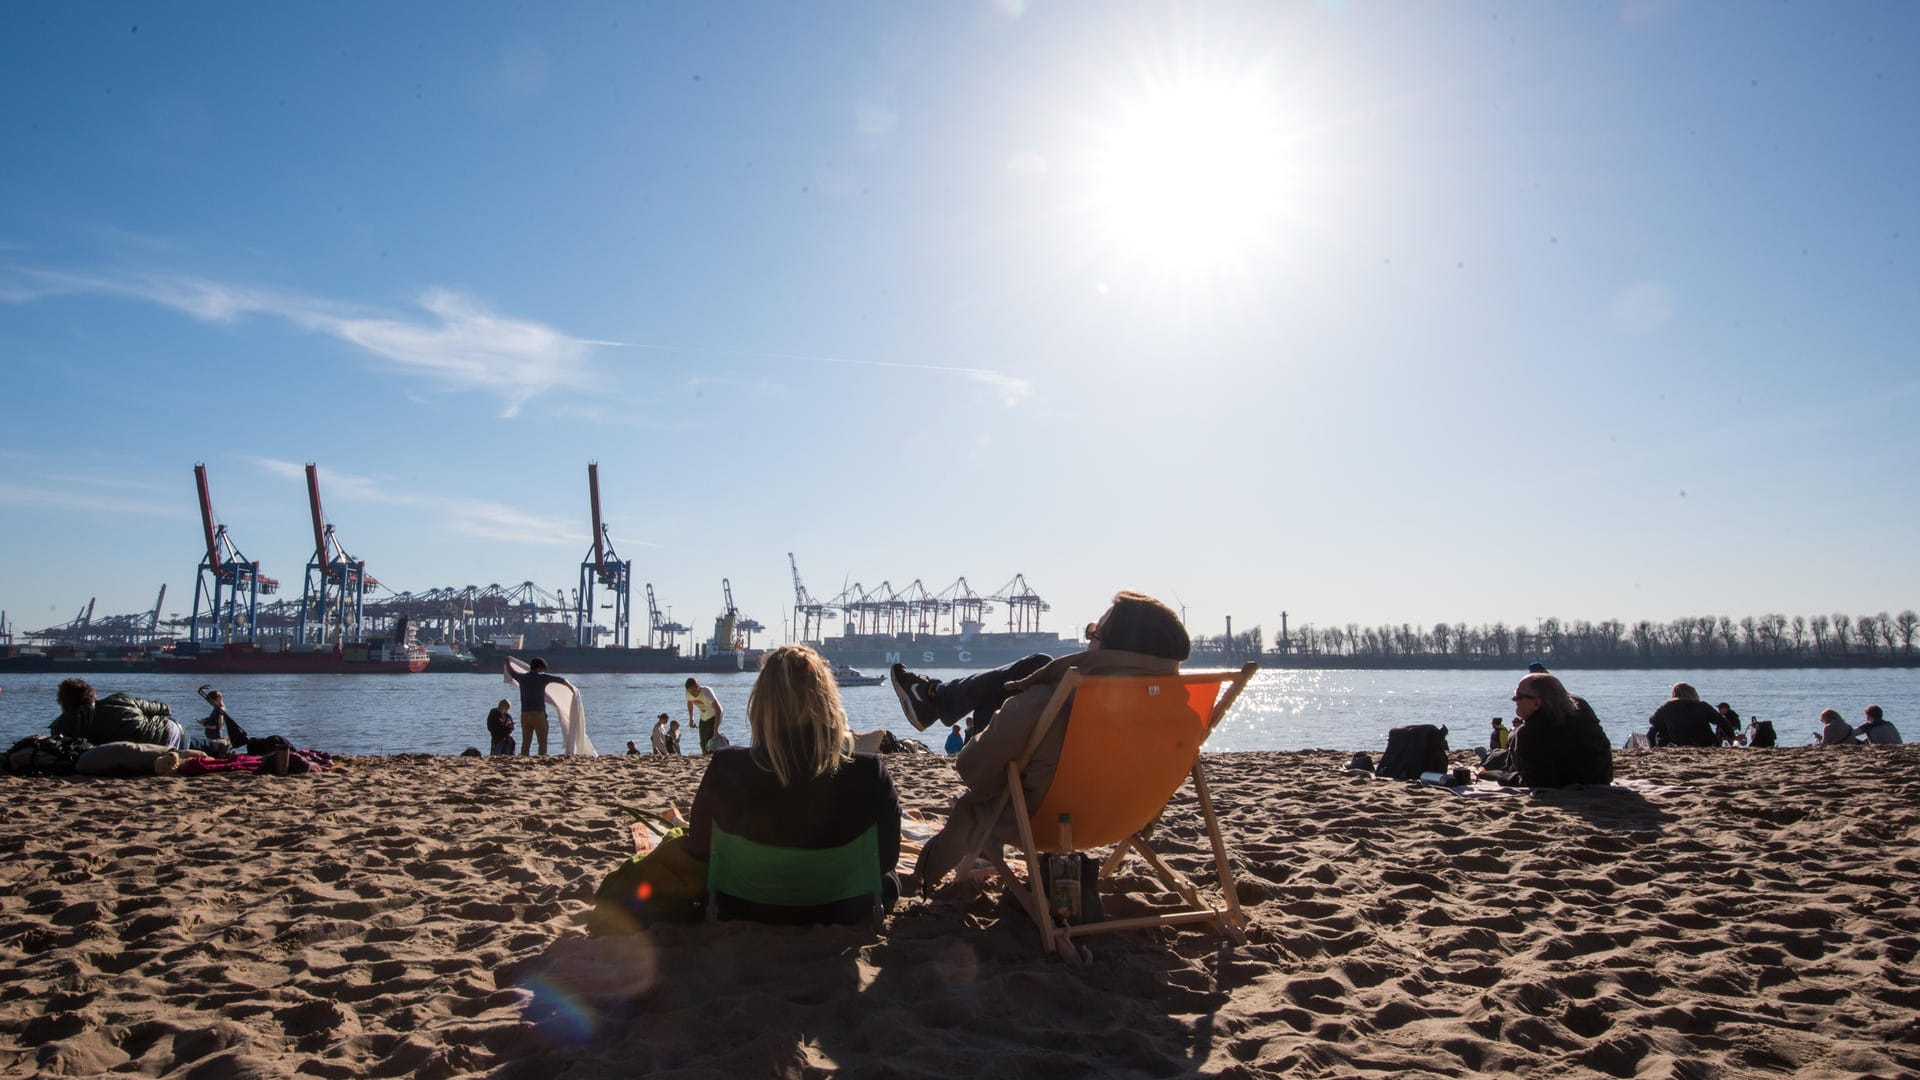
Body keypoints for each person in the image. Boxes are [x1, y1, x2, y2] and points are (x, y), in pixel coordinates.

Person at [910, 590, 1190, 896]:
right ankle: (937, 699)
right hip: (1128, 819)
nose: (1087, 640)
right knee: (1038, 663)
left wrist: (997, 718)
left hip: (1045, 822)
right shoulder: (1181, 709)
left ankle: (936, 699)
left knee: (1034, 668)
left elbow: (970, 768)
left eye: (1094, 632)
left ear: (1114, 646)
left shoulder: (1051, 699)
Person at [683, 644, 902, 925]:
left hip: (742, 905)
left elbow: (700, 850)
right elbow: (886, 859)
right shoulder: (870, 772)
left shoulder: (725, 768)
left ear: (761, 702)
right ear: (828, 701)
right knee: (890, 880)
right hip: (845, 907)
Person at [48, 678, 225, 754]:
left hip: (144, 754)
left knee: (182, 744)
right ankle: (216, 746)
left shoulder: (62, 725)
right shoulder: (119, 699)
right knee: (190, 741)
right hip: (169, 734)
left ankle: (213, 746)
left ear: (64, 703)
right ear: (93, 695)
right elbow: (164, 709)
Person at [1504, 672, 1614, 787]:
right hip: (1600, 777)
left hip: (1561, 781)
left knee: (1510, 739)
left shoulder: (1528, 733)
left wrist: (1502, 777)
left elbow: (1534, 780)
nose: (1514, 699)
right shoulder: (1581, 707)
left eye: (1518, 697)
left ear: (1537, 703)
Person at [509, 657, 571, 756]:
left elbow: (511, 672)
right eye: (542, 669)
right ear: (539, 668)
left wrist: (507, 661)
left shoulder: (522, 678)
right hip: (538, 715)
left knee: (526, 742)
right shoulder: (542, 677)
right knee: (542, 742)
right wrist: (571, 688)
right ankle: (541, 759)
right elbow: (561, 680)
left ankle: (524, 758)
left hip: (524, 715)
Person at [1646, 683, 1722, 748]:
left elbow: (1653, 720)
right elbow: (1722, 722)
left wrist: (1665, 727)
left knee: (1653, 729)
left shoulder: (1667, 706)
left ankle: (1653, 748)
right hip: (1705, 742)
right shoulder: (1702, 705)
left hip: (1679, 741)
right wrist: (1731, 739)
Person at [685, 677, 724, 754]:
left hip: (714, 715)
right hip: (703, 717)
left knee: (710, 739)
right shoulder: (688, 693)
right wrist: (691, 719)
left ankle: (718, 752)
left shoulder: (706, 692)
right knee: (702, 742)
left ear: (697, 686)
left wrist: (715, 730)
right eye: (690, 692)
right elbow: (690, 703)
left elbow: (718, 710)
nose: (692, 694)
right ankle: (706, 756)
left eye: (693, 691)